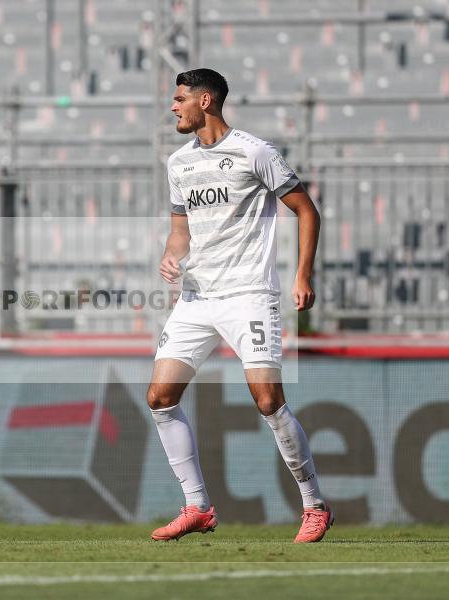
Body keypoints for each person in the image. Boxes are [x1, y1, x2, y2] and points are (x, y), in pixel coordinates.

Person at [147, 68, 331, 543]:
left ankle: (314, 505)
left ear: (205, 101)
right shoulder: (178, 163)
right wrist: (171, 254)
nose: (174, 107)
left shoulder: (255, 152)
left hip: (249, 294)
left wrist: (303, 274)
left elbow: (306, 210)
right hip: (197, 297)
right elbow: (180, 230)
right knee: (160, 397)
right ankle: (198, 507)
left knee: (268, 400)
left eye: (180, 99)